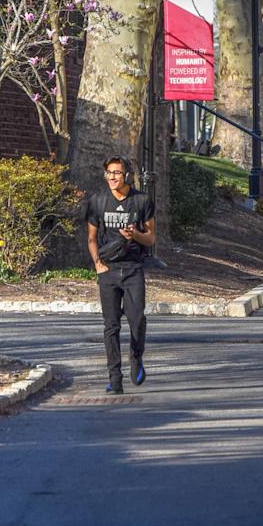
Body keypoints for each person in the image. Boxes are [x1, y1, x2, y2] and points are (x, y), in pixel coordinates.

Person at [81, 157, 157, 393]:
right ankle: (115, 377)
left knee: (136, 320)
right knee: (111, 326)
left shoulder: (142, 200)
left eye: (117, 172)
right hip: (108, 270)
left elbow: (151, 238)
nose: (112, 177)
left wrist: (134, 234)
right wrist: (97, 265)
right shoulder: (97, 201)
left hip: (133, 268)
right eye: (108, 172)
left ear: (127, 175)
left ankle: (136, 358)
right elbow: (92, 239)